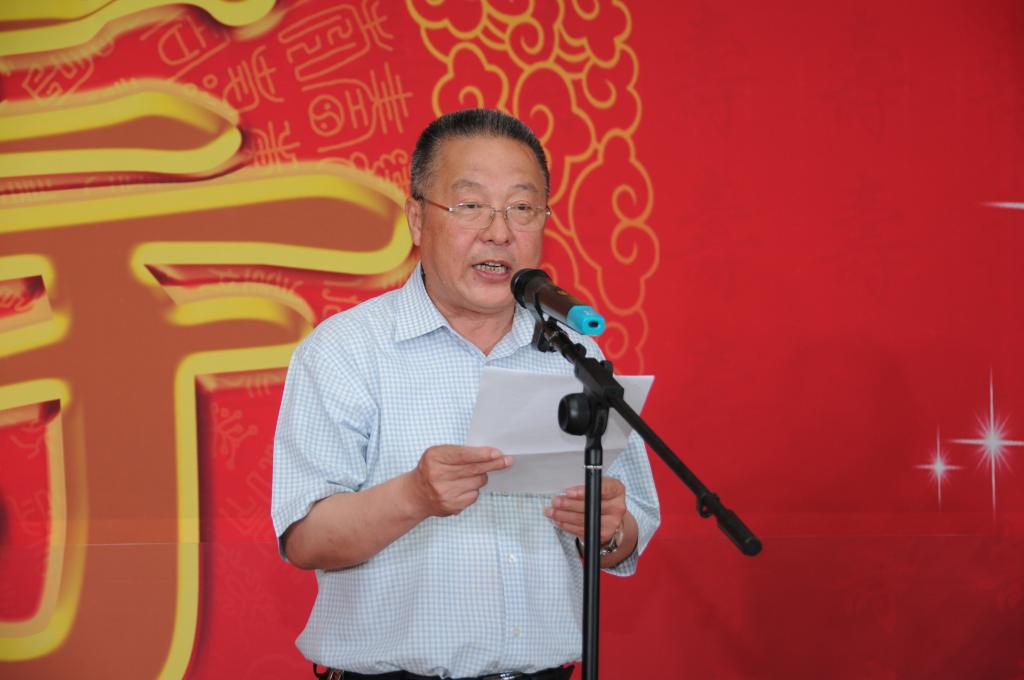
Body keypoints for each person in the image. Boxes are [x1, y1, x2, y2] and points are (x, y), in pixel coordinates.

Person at [272, 108, 660, 680]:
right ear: (417, 219)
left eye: (522, 208)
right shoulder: (345, 350)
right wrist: (413, 496)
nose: (499, 232)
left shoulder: (576, 354)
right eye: (470, 205)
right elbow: (304, 538)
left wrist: (605, 530)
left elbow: (629, 529)